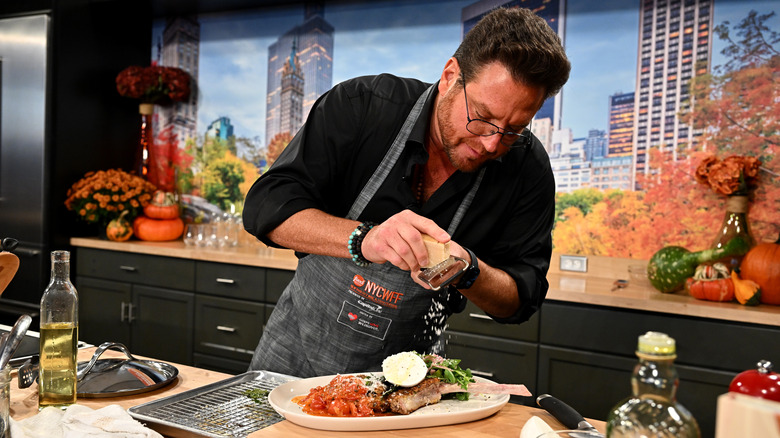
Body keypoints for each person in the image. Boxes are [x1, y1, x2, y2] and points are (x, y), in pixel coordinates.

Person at [243, 7, 570, 378]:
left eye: (514, 129)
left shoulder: (527, 169)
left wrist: (468, 271)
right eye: (481, 117)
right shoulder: (363, 106)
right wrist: (365, 239)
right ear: (450, 77)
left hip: (404, 388)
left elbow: (519, 300)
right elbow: (266, 207)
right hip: (289, 361)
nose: (493, 143)